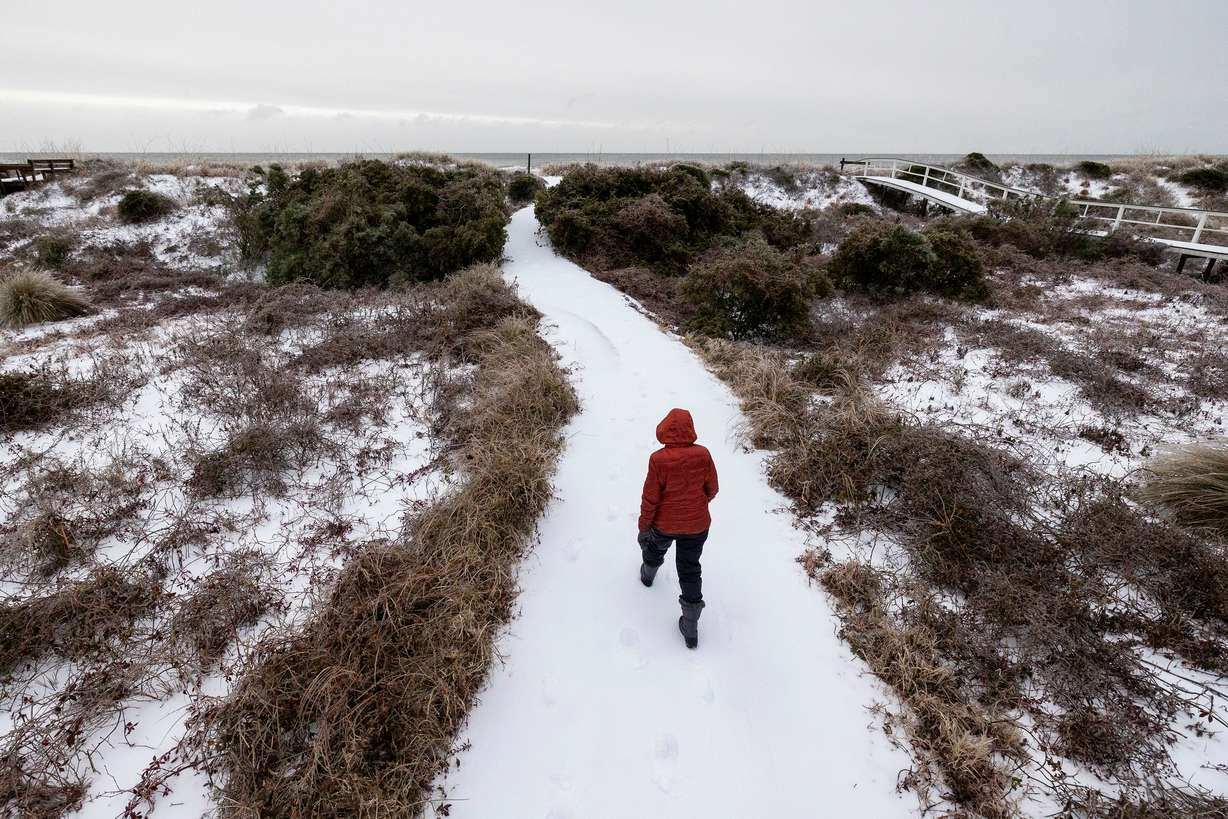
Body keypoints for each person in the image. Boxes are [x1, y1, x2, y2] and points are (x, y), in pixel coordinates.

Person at [637, 408, 719, 649]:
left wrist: (644, 526)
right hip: (697, 525)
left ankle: (648, 574)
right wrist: (698, 504)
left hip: (664, 524)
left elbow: (650, 498)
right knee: (690, 568)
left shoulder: (658, 460)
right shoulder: (703, 455)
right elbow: (712, 488)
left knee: (654, 548)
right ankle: (691, 625)